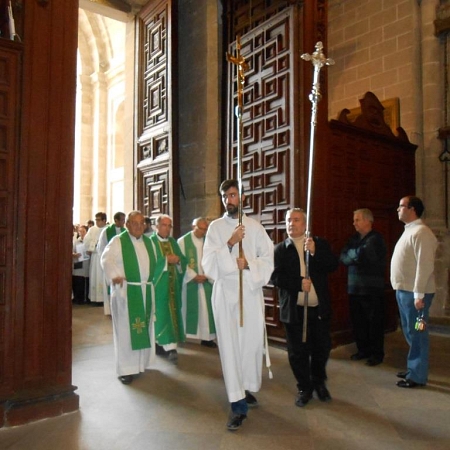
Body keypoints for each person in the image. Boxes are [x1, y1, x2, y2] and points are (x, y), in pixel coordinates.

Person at [202, 179, 274, 431]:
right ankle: (237, 403)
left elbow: (268, 258)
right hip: (225, 295)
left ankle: (245, 388)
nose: (228, 200)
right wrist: (231, 243)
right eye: (225, 196)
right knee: (231, 348)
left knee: (250, 346)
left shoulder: (254, 227)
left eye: (233, 195)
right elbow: (208, 264)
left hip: (250, 293)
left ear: (242, 197)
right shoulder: (215, 228)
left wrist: (250, 265)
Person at [270, 208, 338, 408]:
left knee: (321, 348)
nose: (292, 224)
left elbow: (333, 265)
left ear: (305, 224)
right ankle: (304, 387)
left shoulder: (319, 243)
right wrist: (298, 283)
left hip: (318, 308)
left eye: (296, 220)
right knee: (297, 352)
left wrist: (315, 252)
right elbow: (275, 277)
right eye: (289, 220)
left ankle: (319, 382)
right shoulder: (280, 249)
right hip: (294, 309)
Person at [101, 211, 165, 385]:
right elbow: (106, 259)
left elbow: (160, 263)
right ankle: (126, 369)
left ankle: (141, 363)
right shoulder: (118, 241)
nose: (138, 226)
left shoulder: (150, 243)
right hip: (126, 292)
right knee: (126, 332)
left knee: (144, 328)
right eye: (134, 223)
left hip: (145, 292)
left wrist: (152, 283)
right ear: (127, 224)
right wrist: (115, 275)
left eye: (141, 223)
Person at [390, 196, 437, 388]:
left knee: (418, 333)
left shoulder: (422, 232)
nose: (398, 210)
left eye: (401, 206)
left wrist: (419, 295)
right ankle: (414, 367)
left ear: (412, 209)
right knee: (410, 331)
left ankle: (417, 375)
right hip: (405, 291)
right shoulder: (410, 230)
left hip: (416, 295)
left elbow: (424, 267)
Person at [340, 208, 387, 366]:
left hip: (372, 289)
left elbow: (364, 256)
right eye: (354, 220)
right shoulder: (353, 238)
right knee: (358, 322)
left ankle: (376, 354)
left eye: (357, 219)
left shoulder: (376, 238)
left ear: (368, 221)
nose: (354, 223)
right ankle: (363, 350)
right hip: (355, 289)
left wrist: (353, 255)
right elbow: (343, 257)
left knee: (374, 323)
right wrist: (355, 254)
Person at [149, 214, 187, 363]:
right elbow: (149, 263)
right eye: (164, 225)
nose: (167, 228)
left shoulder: (173, 242)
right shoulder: (150, 242)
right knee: (161, 315)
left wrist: (178, 261)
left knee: (172, 315)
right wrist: (165, 261)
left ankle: (170, 347)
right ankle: (161, 345)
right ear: (157, 226)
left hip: (173, 286)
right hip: (158, 287)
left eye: (169, 225)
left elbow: (182, 260)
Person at [178, 217, 216, 348]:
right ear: (193, 227)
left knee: (207, 311)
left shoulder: (209, 241)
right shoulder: (183, 242)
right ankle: (188, 334)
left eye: (206, 229)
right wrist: (193, 275)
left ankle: (207, 338)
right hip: (190, 282)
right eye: (202, 229)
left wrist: (207, 276)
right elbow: (181, 262)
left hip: (206, 281)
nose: (204, 232)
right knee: (192, 309)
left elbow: (213, 260)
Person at [97, 212, 126, 315]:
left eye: (124, 219)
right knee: (111, 287)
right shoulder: (106, 231)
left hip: (122, 265)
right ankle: (109, 310)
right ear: (116, 220)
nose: (123, 222)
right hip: (110, 264)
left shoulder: (125, 232)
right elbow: (101, 248)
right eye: (122, 220)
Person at [84, 212, 108, 306]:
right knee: (95, 276)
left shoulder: (108, 229)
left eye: (98, 220)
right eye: (96, 219)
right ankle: (94, 298)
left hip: (104, 256)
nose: (97, 222)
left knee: (102, 277)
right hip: (95, 256)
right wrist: (93, 246)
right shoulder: (92, 229)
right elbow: (86, 240)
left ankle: (103, 298)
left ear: (104, 220)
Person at [72, 224, 90, 304]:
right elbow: (72, 251)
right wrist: (74, 254)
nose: (81, 233)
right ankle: (78, 298)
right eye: (80, 231)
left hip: (86, 263)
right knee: (78, 281)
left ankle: (85, 298)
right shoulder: (76, 241)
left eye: (83, 231)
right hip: (78, 263)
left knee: (85, 281)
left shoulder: (89, 241)